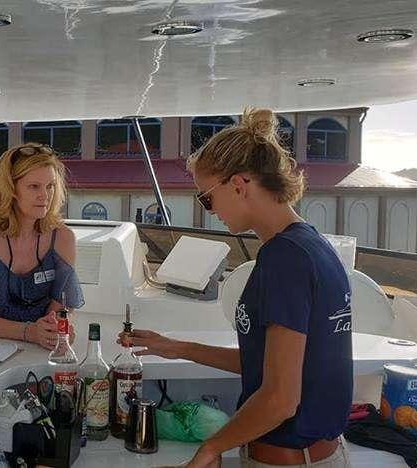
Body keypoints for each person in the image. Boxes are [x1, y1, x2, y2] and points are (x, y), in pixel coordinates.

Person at [124, 109, 352, 467]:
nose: (208, 211)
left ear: (239, 184)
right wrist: (176, 348)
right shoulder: (309, 245)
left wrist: (212, 447)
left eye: (206, 198)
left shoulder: (284, 260)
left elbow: (280, 399)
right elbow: (268, 365)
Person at [0, 143, 84, 349]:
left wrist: (55, 331)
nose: (45, 196)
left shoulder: (63, 238)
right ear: (10, 189)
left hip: (34, 348)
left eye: (50, 186)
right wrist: (30, 332)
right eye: (34, 186)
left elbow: (61, 310)